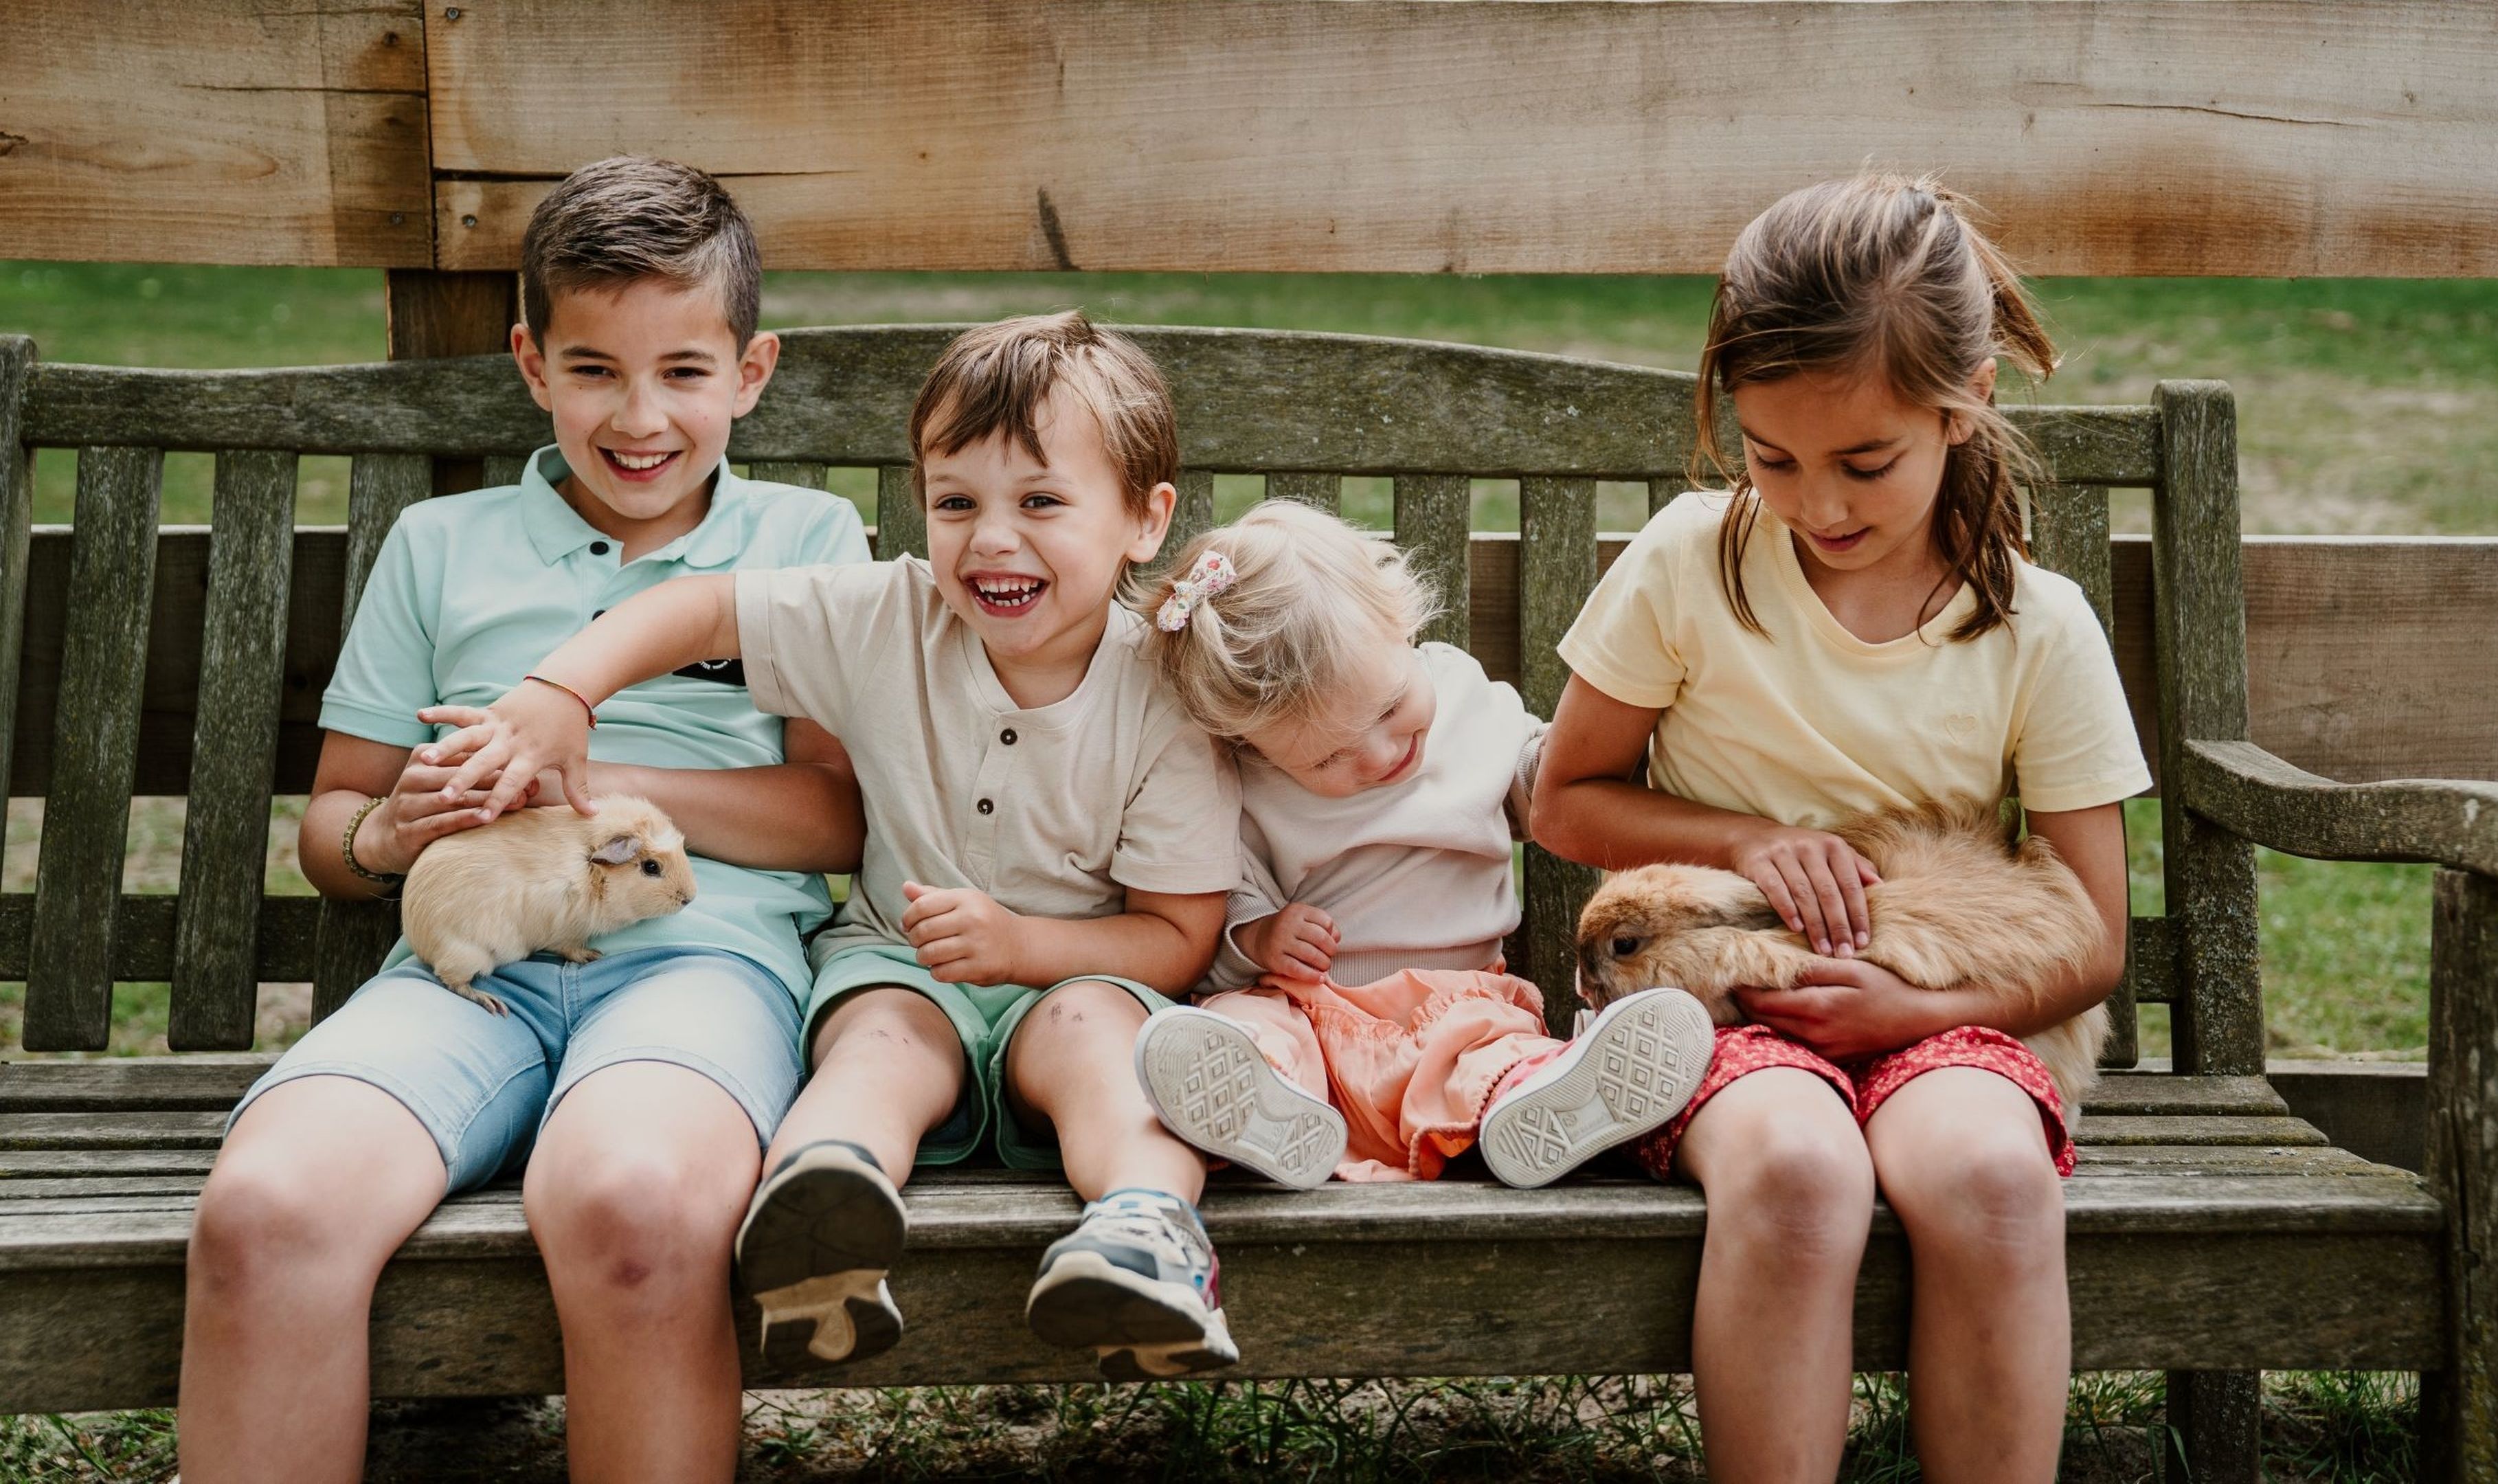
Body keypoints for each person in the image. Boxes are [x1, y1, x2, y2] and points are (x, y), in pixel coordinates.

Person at [179, 157, 870, 1484]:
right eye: (596, 368)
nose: (641, 415)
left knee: (637, 1203)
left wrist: (613, 787)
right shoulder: (442, 546)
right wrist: (388, 835)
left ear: (753, 370)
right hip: (466, 980)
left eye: (683, 370)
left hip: (699, 962)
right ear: (532, 363)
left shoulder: (807, 540)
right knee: (268, 1213)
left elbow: (836, 821)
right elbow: (332, 828)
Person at [420, 312, 1248, 1382]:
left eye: (1041, 502)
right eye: (956, 504)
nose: (991, 539)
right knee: (878, 1042)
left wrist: (1022, 946)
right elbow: (696, 607)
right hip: (899, 959)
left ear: (1145, 520)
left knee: (1101, 1051)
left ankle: (1143, 1237)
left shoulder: (1166, 697)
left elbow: (1179, 938)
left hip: (1082, 970)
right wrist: (561, 690)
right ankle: (821, 1216)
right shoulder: (887, 618)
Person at [1529, 174, 2148, 1483]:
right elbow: (1564, 798)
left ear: (1966, 398)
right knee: (1801, 1180)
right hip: (1710, 1012)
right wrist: (1747, 842)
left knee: (1989, 1179)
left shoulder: (2038, 629)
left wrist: (1910, 1019)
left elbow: (2093, 945)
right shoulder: (1693, 564)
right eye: (1773, 458)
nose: (1818, 503)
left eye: (1866, 462)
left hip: (1941, 1011)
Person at [1128, 499, 1711, 1188]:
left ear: (1401, 622)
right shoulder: (1248, 781)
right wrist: (1257, 937)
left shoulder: (1463, 696)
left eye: (1388, 709)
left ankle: (1545, 1102)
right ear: (1252, 747)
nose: (1378, 755)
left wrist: (1582, 751)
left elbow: (1541, 785)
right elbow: (1222, 899)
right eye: (1325, 761)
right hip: (1312, 1013)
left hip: (1459, 1006)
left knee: (1489, 1056)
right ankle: (1255, 1111)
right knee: (1254, 1030)